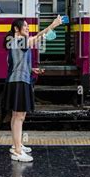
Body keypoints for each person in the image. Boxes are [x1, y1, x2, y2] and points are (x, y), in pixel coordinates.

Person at [3, 15, 62, 162]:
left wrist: (31, 69)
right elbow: (39, 36)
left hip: (16, 80)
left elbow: (16, 63)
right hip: (19, 82)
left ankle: (17, 145)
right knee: (19, 116)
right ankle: (17, 151)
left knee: (16, 116)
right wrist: (53, 25)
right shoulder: (20, 41)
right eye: (25, 26)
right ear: (17, 29)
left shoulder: (14, 42)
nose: (28, 28)